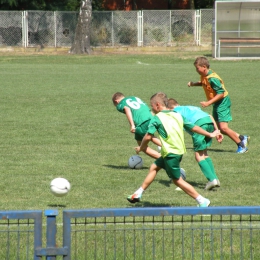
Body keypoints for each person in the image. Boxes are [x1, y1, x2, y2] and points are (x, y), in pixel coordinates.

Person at [127, 92, 221, 207]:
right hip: (177, 151)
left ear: (157, 105)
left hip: (171, 153)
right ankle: (138, 193)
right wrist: (210, 134)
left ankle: (202, 200)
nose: (151, 109)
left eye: (152, 106)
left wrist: (141, 148)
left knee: (177, 180)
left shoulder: (157, 118)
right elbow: (194, 127)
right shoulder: (177, 115)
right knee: (154, 167)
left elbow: (147, 136)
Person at [187, 56, 249, 154]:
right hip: (217, 103)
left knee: (223, 127)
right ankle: (242, 137)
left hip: (222, 102)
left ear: (204, 67)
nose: (196, 70)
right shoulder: (205, 76)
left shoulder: (213, 78)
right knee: (219, 128)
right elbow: (204, 83)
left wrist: (208, 102)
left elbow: (221, 93)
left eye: (197, 68)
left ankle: (242, 145)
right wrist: (194, 84)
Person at [167, 98, 222, 190]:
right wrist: (217, 131)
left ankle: (212, 180)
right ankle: (215, 179)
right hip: (209, 123)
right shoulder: (190, 107)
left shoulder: (175, 112)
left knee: (198, 156)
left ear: (170, 108)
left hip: (199, 125)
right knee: (204, 154)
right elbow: (210, 116)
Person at [112, 92, 161, 159]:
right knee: (144, 139)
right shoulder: (134, 98)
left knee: (145, 141)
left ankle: (166, 155)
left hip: (141, 122)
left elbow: (127, 109)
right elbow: (144, 106)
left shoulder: (120, 104)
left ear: (116, 101)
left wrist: (132, 125)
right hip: (151, 117)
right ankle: (165, 154)